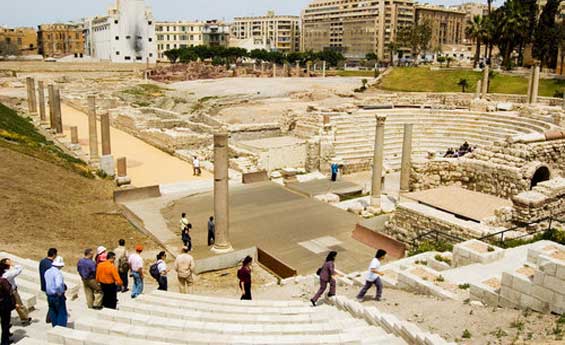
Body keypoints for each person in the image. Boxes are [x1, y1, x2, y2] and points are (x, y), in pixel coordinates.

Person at [1, 258, 31, 325]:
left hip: (4, 292)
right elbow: (19, 269)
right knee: (19, 305)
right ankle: (24, 318)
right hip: (12, 291)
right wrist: (13, 264)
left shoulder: (2, 273)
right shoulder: (9, 274)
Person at [44, 256, 67, 327]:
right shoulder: (57, 273)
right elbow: (59, 284)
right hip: (57, 296)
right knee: (61, 312)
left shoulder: (47, 272)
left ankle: (55, 326)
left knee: (53, 311)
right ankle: (61, 328)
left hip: (49, 295)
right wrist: (60, 292)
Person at [39, 248, 57, 324]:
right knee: (52, 303)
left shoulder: (42, 261)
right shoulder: (51, 265)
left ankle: (50, 317)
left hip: (44, 285)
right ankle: (49, 317)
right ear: (54, 255)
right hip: (50, 286)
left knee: (51, 302)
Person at [0, 271, 15, 345]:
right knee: (5, 323)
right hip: (4, 305)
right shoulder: (3, 281)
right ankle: (4, 341)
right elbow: (10, 290)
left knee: (4, 323)